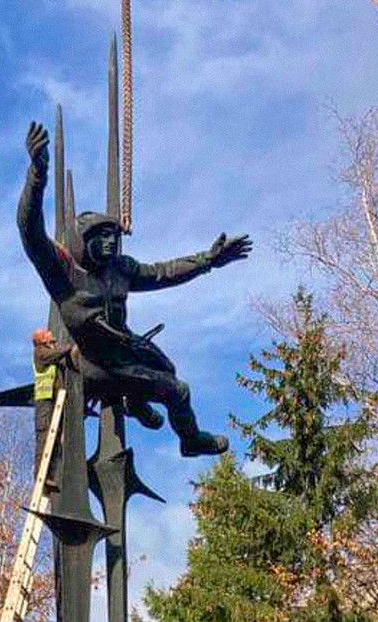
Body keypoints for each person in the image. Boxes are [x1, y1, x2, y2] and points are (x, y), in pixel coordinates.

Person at [17, 122, 252, 457]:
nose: (112, 241)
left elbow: (163, 272)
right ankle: (190, 440)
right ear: (84, 240)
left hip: (125, 350)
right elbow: (30, 230)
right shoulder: (64, 274)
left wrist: (208, 261)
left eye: (115, 234)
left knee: (165, 367)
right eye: (102, 235)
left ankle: (137, 403)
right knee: (179, 391)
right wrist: (37, 173)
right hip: (98, 366)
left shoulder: (120, 269)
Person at [32, 327, 74, 484]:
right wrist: (70, 346)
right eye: (47, 333)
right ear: (42, 339)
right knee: (44, 438)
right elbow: (55, 354)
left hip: (55, 399)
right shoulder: (40, 352)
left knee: (56, 439)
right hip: (45, 400)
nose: (51, 333)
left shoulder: (49, 349)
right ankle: (41, 476)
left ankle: (50, 476)